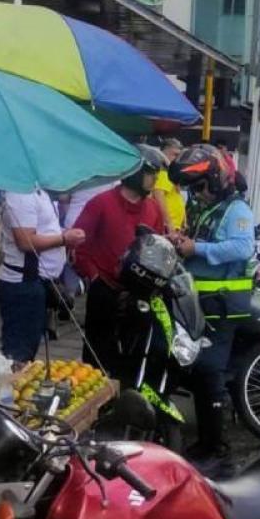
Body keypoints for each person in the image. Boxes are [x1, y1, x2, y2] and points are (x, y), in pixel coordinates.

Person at [169, 144, 255, 476]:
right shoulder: (210, 208)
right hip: (201, 302)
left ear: (217, 179)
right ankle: (206, 442)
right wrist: (182, 241)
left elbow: (242, 247)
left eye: (201, 187)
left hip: (223, 305)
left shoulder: (237, 210)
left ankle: (219, 450)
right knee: (200, 372)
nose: (197, 194)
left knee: (210, 372)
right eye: (193, 188)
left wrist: (197, 248)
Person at [72, 146, 167, 373]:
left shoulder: (153, 209)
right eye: (150, 173)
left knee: (133, 356)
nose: (155, 179)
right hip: (104, 290)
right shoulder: (101, 203)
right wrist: (94, 277)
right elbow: (78, 245)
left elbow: (157, 249)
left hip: (138, 295)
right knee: (96, 357)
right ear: (135, 172)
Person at [0, 189, 84, 364]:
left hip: (37, 282)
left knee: (29, 347)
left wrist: (66, 237)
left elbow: (45, 228)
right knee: (18, 353)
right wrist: (63, 239)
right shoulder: (21, 194)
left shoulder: (40, 192)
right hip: (23, 282)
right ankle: (10, 386)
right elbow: (25, 241)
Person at [152, 138, 186, 233]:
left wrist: (183, 219)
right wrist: (169, 223)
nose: (177, 159)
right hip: (167, 228)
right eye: (174, 155)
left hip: (173, 227)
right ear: (163, 154)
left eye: (179, 155)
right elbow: (159, 197)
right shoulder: (164, 173)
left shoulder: (170, 173)